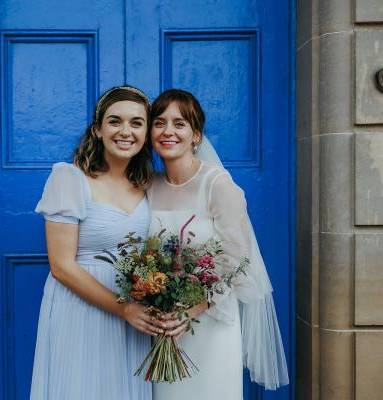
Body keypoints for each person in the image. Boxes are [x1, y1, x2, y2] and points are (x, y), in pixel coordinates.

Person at [147, 89, 289, 399]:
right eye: (159, 123)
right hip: (165, 322)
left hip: (209, 319)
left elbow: (238, 261)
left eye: (179, 123)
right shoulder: (149, 185)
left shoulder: (218, 184)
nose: (168, 131)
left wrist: (191, 311)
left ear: (195, 135)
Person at [31, 86, 163, 400]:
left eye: (136, 123)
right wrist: (124, 308)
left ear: (145, 132)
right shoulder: (70, 179)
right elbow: (61, 267)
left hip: (133, 315)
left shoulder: (147, 184)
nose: (125, 131)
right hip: (81, 308)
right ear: (98, 129)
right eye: (115, 121)